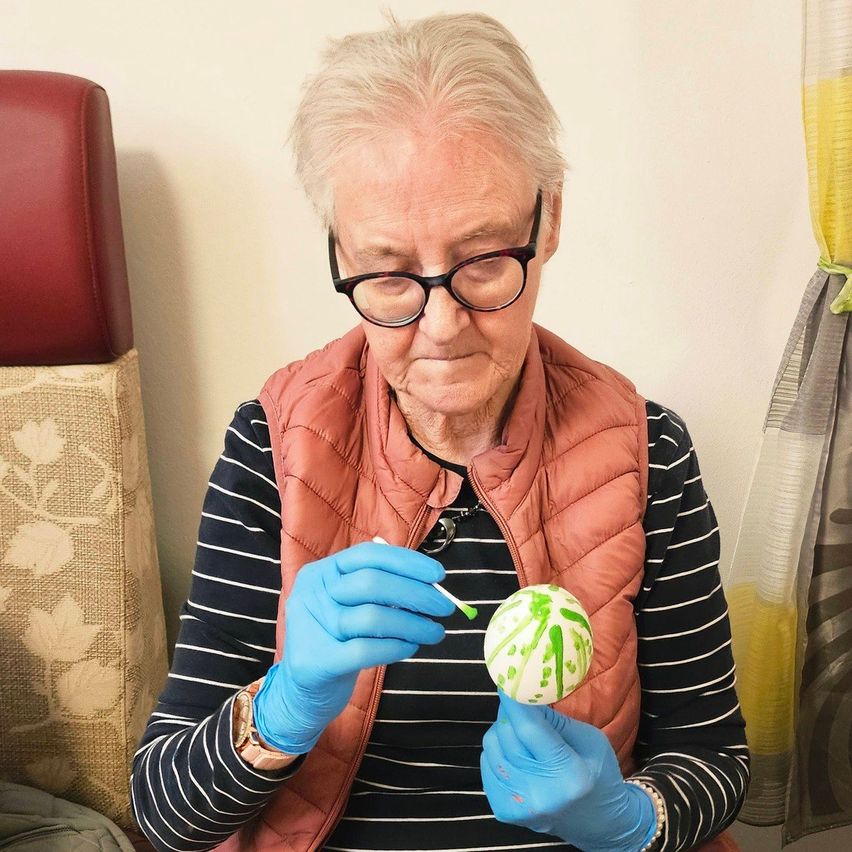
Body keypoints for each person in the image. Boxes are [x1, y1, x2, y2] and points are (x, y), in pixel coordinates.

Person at [130, 11, 749, 852]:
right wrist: (277, 711)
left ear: (549, 220)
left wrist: (635, 821)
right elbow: (164, 817)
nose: (443, 324)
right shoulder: (274, 449)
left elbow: (713, 756)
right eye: (387, 274)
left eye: (485, 260)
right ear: (338, 251)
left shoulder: (647, 453)